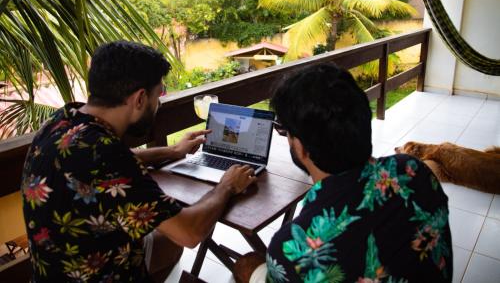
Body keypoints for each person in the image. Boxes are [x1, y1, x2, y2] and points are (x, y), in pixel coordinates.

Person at [21, 41, 257, 282]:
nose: (159, 103)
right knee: (179, 235)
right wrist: (227, 185)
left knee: (166, 238)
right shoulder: (108, 156)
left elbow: (107, 163)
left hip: (51, 271)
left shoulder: (62, 120)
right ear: (140, 99)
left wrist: (172, 151)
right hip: (100, 274)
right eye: (159, 94)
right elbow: (189, 233)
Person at [234, 65, 452, 282]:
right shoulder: (414, 170)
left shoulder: (295, 247)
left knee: (246, 265)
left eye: (285, 131)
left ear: (301, 148)